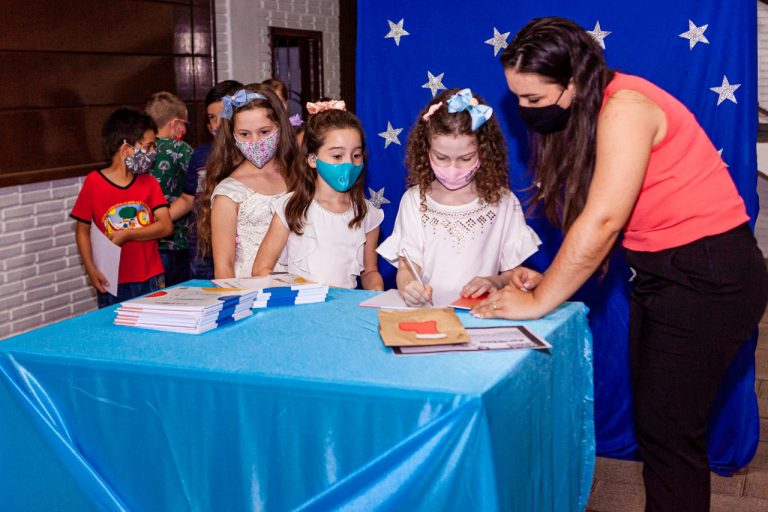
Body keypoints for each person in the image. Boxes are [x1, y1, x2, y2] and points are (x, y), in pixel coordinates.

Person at [473, 16, 768, 512]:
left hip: (710, 275)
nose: (524, 110)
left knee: (670, 436)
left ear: (573, 81)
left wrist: (540, 300)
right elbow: (619, 214)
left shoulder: (626, 106)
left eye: (534, 98)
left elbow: (605, 220)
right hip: (664, 275)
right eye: (518, 98)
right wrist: (552, 276)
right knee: (660, 430)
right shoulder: (595, 108)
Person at [376, 88, 541, 307]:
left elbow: (513, 274)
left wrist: (494, 281)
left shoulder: (504, 202)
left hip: (482, 316)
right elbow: (407, 268)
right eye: (442, 157)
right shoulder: (415, 200)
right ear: (426, 150)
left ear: (485, 152)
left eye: (465, 158)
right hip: (429, 317)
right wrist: (409, 287)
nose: (453, 168)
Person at [252, 100, 384, 290]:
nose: (348, 163)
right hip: (302, 304)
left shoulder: (367, 213)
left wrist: (376, 290)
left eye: (356, 155)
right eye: (337, 156)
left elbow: (369, 271)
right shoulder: (291, 207)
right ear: (313, 159)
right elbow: (261, 269)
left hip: (346, 305)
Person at [70, 108, 173, 308]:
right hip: (111, 280)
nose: (153, 153)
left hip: (150, 277)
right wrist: (91, 269)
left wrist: (128, 234)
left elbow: (166, 226)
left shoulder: (149, 182)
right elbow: (82, 230)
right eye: (148, 146)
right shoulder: (94, 182)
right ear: (126, 148)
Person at [198, 85, 297, 278]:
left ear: (280, 127)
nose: (255, 141)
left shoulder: (297, 176)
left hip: (301, 283)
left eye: (264, 132)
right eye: (245, 134)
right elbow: (224, 269)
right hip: (250, 287)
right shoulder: (230, 192)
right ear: (233, 136)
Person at [169, 80, 243, 279]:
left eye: (224, 116)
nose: (217, 124)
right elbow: (187, 199)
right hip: (202, 254)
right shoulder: (200, 155)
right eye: (212, 118)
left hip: (239, 251)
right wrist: (156, 220)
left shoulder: (250, 157)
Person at [145, 91, 194, 286]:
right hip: (176, 241)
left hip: (146, 238)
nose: (185, 129)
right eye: (184, 124)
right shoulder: (181, 149)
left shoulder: (140, 149)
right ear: (174, 124)